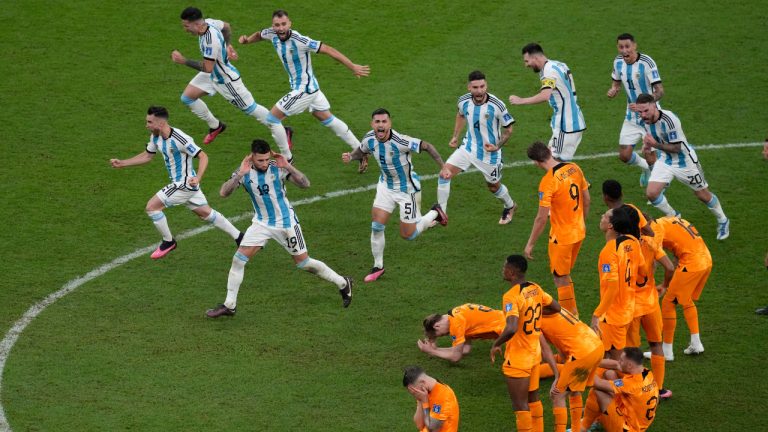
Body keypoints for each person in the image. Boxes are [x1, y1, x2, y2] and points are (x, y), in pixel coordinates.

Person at [205, 139, 352, 317]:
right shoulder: (243, 171)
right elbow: (223, 193)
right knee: (238, 259)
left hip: (286, 223)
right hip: (261, 223)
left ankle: (342, 282)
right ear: (252, 157)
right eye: (260, 160)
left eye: (267, 159)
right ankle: (230, 305)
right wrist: (239, 175)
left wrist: (288, 167)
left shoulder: (278, 167)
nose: (265, 163)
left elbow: (305, 184)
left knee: (304, 263)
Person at [238, 9, 370, 172]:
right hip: (310, 86)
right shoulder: (272, 33)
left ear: (290, 24)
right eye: (277, 25)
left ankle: (287, 159)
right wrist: (246, 40)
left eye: (284, 24)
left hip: (305, 89)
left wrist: (352, 67)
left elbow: (328, 49)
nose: (280, 28)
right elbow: (259, 34)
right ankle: (361, 150)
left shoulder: (300, 40)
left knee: (272, 119)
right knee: (325, 117)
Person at [109, 106, 242, 259]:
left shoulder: (180, 139)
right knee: (206, 213)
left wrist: (198, 177)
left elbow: (203, 156)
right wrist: (123, 163)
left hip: (185, 184)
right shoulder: (156, 136)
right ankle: (240, 236)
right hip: (187, 184)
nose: (146, 125)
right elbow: (147, 156)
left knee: (152, 208)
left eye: (149, 122)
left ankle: (168, 242)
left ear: (160, 123)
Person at [342, 108, 447, 282]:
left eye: (384, 122)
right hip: (385, 186)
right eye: (377, 122)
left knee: (409, 235)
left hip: (407, 191)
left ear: (389, 123)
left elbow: (427, 146)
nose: (381, 125)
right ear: (372, 124)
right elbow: (362, 150)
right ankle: (378, 266)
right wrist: (351, 157)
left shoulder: (401, 141)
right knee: (376, 226)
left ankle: (435, 212)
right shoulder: (369, 138)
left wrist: (443, 167)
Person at [171, 7, 293, 153]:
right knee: (187, 98)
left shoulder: (210, 40)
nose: (185, 29)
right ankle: (216, 126)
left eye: (186, 26)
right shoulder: (209, 22)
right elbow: (227, 26)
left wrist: (183, 61)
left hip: (226, 81)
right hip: (213, 75)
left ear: (196, 24)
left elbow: (207, 67)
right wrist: (228, 44)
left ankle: (283, 129)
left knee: (252, 109)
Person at [635, 93, 730, 240]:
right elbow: (650, 137)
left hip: (685, 162)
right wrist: (647, 146)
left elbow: (677, 148)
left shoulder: (669, 120)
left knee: (702, 195)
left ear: (654, 105)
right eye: (640, 112)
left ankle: (723, 220)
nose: (643, 115)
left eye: (646, 110)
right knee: (651, 193)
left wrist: (654, 144)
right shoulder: (643, 120)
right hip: (666, 160)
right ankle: (674, 217)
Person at [491, 255, 560, 432]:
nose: (502, 270)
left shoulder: (511, 296)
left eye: (504, 267)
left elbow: (512, 327)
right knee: (533, 399)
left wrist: (496, 343)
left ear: (512, 272)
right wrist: (535, 314)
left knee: (520, 406)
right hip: (534, 354)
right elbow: (556, 307)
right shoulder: (535, 288)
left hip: (518, 359)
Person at [438, 70, 518, 224]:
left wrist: (497, 147)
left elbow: (508, 130)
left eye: (482, 86)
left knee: (493, 187)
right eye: (475, 87)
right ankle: (440, 213)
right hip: (468, 148)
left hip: (490, 155)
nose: (480, 90)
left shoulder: (497, 105)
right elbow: (461, 115)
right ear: (469, 87)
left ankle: (511, 205)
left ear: (486, 85)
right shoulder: (463, 101)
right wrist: (455, 135)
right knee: (444, 174)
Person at [525, 141, 590, 317]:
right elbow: (587, 199)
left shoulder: (548, 182)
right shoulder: (574, 167)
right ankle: (572, 312)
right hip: (579, 232)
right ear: (549, 151)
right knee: (565, 274)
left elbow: (540, 218)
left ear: (537, 162)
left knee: (560, 278)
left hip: (562, 238)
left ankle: (571, 317)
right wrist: (581, 221)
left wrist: (530, 244)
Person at [648, 215, 712, 359]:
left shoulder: (655, 231)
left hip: (692, 263)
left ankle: (667, 351)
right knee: (686, 299)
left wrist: (663, 285)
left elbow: (656, 261)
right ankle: (696, 343)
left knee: (668, 302)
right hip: (706, 259)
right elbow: (679, 248)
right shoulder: (667, 220)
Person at [509, 43, 586, 162]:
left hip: (566, 125)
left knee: (553, 164)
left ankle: (580, 181)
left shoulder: (548, 71)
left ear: (535, 57)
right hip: (573, 119)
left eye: (527, 61)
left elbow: (545, 96)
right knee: (555, 163)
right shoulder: (559, 64)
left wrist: (521, 100)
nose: (526, 65)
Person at [606, 33, 665, 187]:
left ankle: (657, 188)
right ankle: (646, 168)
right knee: (624, 155)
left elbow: (659, 91)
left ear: (634, 46)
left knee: (650, 154)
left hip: (650, 117)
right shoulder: (618, 62)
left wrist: (643, 106)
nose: (624, 50)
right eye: (621, 47)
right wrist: (613, 89)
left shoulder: (647, 63)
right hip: (631, 117)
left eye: (627, 46)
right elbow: (616, 82)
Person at [592, 206, 644, 361]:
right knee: (607, 359)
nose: (602, 215)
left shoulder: (609, 252)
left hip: (613, 316)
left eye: (605, 216)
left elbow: (613, 288)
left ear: (610, 226)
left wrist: (597, 314)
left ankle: (634, 384)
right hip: (628, 309)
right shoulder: (633, 241)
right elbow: (643, 271)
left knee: (613, 362)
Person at [540, 307, 603, 432]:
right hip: (597, 346)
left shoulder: (534, 320)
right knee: (574, 389)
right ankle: (577, 429)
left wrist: (557, 376)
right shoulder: (559, 309)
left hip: (581, 353)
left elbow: (546, 352)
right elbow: (562, 343)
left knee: (557, 395)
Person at [632, 214, 675, 399]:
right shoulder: (651, 242)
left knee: (631, 350)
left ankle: (636, 389)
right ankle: (658, 388)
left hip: (631, 305)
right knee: (656, 344)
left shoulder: (623, 247)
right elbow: (670, 267)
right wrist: (664, 286)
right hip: (650, 302)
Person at [580, 348, 659, 432]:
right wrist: (590, 362)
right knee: (609, 373)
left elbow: (598, 383)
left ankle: (584, 426)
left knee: (599, 391)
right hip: (638, 421)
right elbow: (616, 365)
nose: (619, 361)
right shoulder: (646, 373)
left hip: (628, 428)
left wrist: (584, 366)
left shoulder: (632, 384)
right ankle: (597, 416)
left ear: (629, 365)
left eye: (621, 360)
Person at [418, 303, 506, 362]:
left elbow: (456, 357)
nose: (447, 334)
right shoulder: (455, 314)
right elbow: (465, 350)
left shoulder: (456, 324)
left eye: (442, 334)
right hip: (508, 320)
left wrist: (431, 351)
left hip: (510, 329)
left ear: (437, 326)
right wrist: (435, 349)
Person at [402, 366, 460, 432]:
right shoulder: (423, 393)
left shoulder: (443, 396)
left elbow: (433, 429)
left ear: (422, 383)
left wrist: (424, 402)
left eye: (414, 390)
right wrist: (420, 400)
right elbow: (419, 425)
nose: (414, 393)